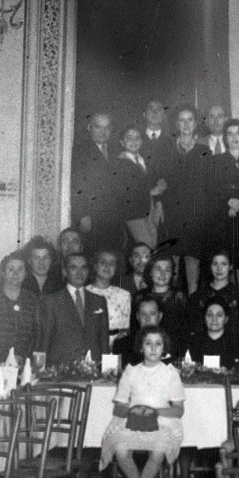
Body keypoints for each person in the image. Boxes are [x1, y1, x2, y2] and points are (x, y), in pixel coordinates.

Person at [99, 325, 185, 478]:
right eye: (148, 344)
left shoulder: (171, 373)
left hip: (162, 423)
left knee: (158, 452)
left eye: (158, 344)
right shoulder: (131, 372)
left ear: (164, 348)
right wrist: (134, 411)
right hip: (133, 421)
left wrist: (155, 412)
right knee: (120, 451)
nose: (153, 349)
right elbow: (119, 408)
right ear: (141, 347)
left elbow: (179, 410)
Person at [160, 106, 212, 294]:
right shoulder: (168, 150)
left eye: (190, 120)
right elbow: (162, 181)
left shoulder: (204, 150)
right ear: (176, 124)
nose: (186, 124)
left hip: (196, 214)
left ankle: (192, 306)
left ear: (196, 123)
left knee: (192, 263)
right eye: (182, 120)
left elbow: (208, 185)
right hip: (173, 213)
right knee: (171, 265)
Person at [37, 252, 110, 366]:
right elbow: (44, 340)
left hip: (93, 368)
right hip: (60, 369)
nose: (79, 273)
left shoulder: (99, 301)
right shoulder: (51, 301)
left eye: (84, 268)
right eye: (73, 268)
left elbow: (104, 342)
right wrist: (40, 371)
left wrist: (107, 370)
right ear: (65, 272)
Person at [71, 111, 123, 254]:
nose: (103, 132)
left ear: (111, 129)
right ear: (89, 128)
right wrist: (82, 214)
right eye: (98, 127)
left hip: (113, 217)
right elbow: (76, 185)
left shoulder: (116, 150)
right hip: (92, 217)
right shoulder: (80, 152)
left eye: (107, 127)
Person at [209, 118, 239, 270]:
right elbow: (211, 188)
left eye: (238, 133)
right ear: (225, 138)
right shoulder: (215, 161)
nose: (235, 138)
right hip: (223, 218)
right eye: (230, 134)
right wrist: (228, 202)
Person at [114, 125, 163, 249]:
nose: (133, 142)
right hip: (133, 213)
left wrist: (157, 201)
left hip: (149, 209)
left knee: (154, 244)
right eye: (129, 138)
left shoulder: (144, 160)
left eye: (137, 138)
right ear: (122, 142)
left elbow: (153, 183)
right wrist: (150, 192)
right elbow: (125, 190)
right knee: (146, 246)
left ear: (141, 141)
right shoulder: (119, 163)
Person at [187, 251, 239, 339]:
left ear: (230, 266)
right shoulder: (198, 296)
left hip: (232, 348)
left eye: (223, 264)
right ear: (210, 266)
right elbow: (192, 330)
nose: (219, 269)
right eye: (215, 264)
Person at [185, 297, 239, 368]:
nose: (214, 319)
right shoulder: (193, 342)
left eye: (219, 315)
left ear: (226, 319)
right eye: (210, 315)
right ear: (204, 318)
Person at [86, 249, 131, 342]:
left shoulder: (124, 295)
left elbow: (126, 328)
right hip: (90, 344)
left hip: (116, 345)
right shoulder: (84, 293)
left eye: (112, 263)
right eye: (103, 262)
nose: (107, 266)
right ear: (95, 266)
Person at [146, 255, 188, 352]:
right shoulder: (140, 296)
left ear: (172, 274)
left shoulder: (179, 296)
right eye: (158, 269)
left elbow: (185, 329)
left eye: (167, 270)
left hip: (173, 347)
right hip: (147, 348)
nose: (163, 274)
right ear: (150, 272)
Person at [113, 294, 164, 366]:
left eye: (152, 314)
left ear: (160, 316)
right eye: (143, 314)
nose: (147, 319)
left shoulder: (171, 343)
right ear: (137, 316)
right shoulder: (121, 345)